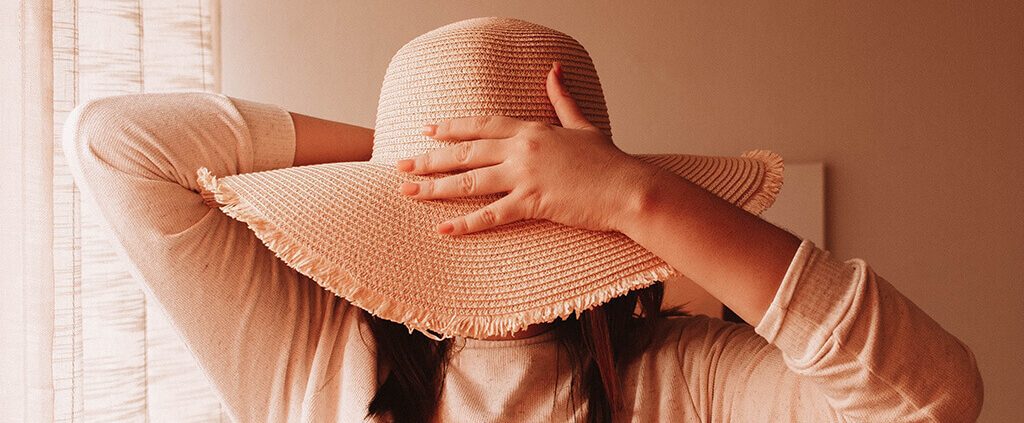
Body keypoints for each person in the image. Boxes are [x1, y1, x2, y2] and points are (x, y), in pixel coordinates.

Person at [63, 18, 983, 423]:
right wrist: (413, 160)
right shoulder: (309, 348)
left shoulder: (679, 377)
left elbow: (931, 399)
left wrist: (636, 196)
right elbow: (114, 141)